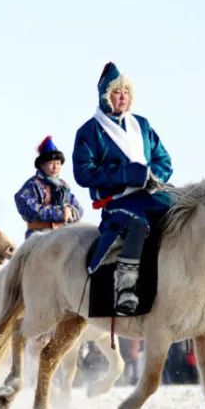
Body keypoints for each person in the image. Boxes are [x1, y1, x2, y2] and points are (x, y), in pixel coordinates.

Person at [73, 62, 172, 315]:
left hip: (151, 195)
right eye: (117, 92)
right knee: (138, 224)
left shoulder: (143, 125)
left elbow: (165, 161)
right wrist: (128, 175)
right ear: (106, 96)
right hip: (117, 203)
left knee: (180, 214)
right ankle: (125, 288)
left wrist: (152, 177)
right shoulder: (89, 131)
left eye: (126, 92)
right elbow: (83, 173)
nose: (123, 97)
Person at [14, 136, 83, 239]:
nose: (55, 167)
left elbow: (78, 208)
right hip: (39, 237)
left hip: (63, 235)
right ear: (41, 165)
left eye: (58, 163)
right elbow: (29, 208)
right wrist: (60, 212)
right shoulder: (32, 185)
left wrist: (71, 212)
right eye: (51, 163)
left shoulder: (63, 186)